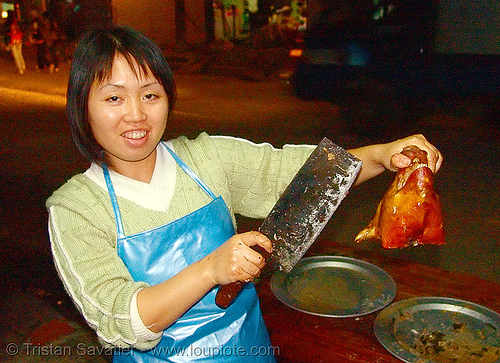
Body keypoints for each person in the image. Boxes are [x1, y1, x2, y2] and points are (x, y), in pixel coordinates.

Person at [46, 25, 443, 362]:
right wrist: (210, 270)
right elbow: (119, 321)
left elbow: (305, 179)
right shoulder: (76, 208)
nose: (136, 114)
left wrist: (382, 154)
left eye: (150, 94)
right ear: (83, 106)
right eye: (114, 97)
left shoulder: (208, 158)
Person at [3, 10, 26, 75]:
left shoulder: (9, 23)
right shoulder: (18, 22)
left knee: (16, 55)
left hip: (13, 40)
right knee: (19, 53)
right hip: (19, 39)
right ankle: (23, 65)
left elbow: (7, 33)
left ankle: (20, 68)